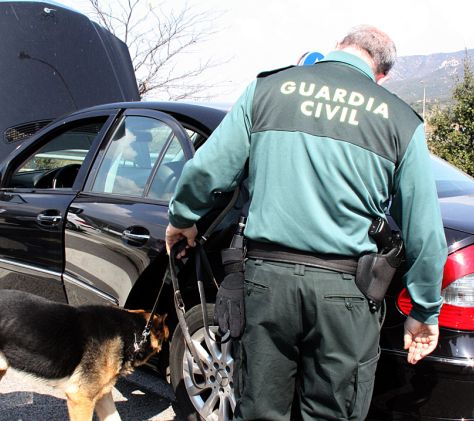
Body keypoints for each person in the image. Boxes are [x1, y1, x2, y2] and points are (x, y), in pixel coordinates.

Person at [165, 25, 447, 420]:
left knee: (259, 409)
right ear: (382, 74)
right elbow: (426, 233)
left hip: (266, 284)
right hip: (346, 294)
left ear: (337, 47)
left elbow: (207, 171)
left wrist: (183, 218)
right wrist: (424, 311)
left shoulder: (268, 90)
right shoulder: (399, 120)